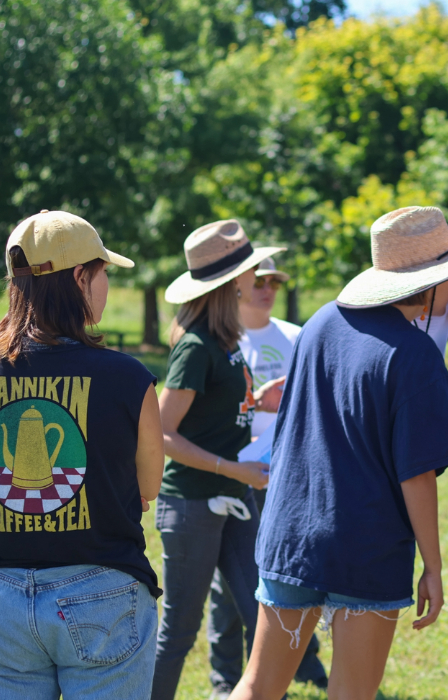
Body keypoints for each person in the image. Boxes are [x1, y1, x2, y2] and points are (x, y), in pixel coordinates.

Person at [228, 206, 448, 700]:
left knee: (257, 687)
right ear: (432, 282)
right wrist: (434, 568)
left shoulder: (319, 322)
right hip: (366, 548)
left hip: (291, 535)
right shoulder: (416, 355)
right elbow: (416, 475)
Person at [0, 210, 164, 699]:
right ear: (81, 276)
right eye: (103, 272)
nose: (104, 284)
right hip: (103, 592)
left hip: (0, 599)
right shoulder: (128, 379)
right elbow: (147, 489)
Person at [151, 220, 283, 699]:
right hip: (192, 506)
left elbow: (211, 414)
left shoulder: (226, 339)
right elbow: (162, 434)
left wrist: (257, 400)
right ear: (232, 281)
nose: (259, 276)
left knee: (265, 616)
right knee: (179, 632)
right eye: (252, 269)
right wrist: (235, 470)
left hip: (233, 497)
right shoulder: (195, 345)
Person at [206, 257, 327, 698]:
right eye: (258, 280)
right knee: (230, 576)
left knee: (291, 570)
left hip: (289, 472)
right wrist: (255, 403)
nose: (267, 288)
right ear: (237, 286)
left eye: (274, 281)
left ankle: (303, 661)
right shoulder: (221, 340)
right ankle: (225, 676)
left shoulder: (296, 336)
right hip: (234, 470)